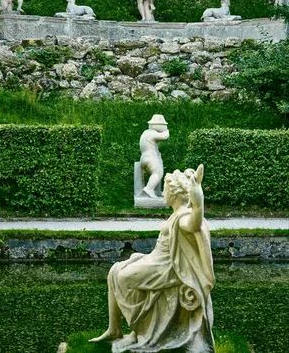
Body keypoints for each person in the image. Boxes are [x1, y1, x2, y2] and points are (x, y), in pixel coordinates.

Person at [90, 164, 215, 353]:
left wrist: (198, 203)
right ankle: (114, 329)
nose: (162, 193)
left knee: (124, 278)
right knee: (114, 270)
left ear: (172, 193)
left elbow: (194, 223)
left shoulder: (183, 217)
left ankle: (141, 329)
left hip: (167, 266)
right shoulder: (176, 215)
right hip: (155, 259)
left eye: (164, 189)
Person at [139, 114, 169, 198]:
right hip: (151, 157)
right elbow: (165, 136)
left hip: (144, 158)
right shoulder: (153, 133)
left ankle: (157, 191)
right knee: (158, 173)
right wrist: (167, 130)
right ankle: (149, 188)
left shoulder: (145, 132)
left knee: (155, 174)